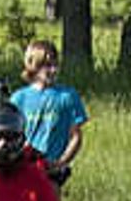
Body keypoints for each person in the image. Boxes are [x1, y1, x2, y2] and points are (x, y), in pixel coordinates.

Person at [9, 40, 87, 183]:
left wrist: (61, 162)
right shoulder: (19, 98)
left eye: (55, 65)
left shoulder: (68, 96)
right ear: (33, 66)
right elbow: (11, 135)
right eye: (47, 66)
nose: (53, 70)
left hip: (53, 169)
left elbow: (75, 136)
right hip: (24, 167)